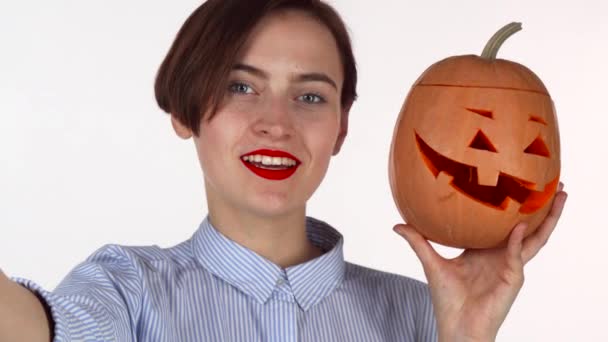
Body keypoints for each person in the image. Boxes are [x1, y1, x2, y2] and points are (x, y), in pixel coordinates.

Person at [0, 0, 567, 341]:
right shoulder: (125, 291)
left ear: (341, 129)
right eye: (240, 87)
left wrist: (466, 337)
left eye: (312, 97)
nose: (276, 123)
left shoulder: (421, 313)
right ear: (185, 111)